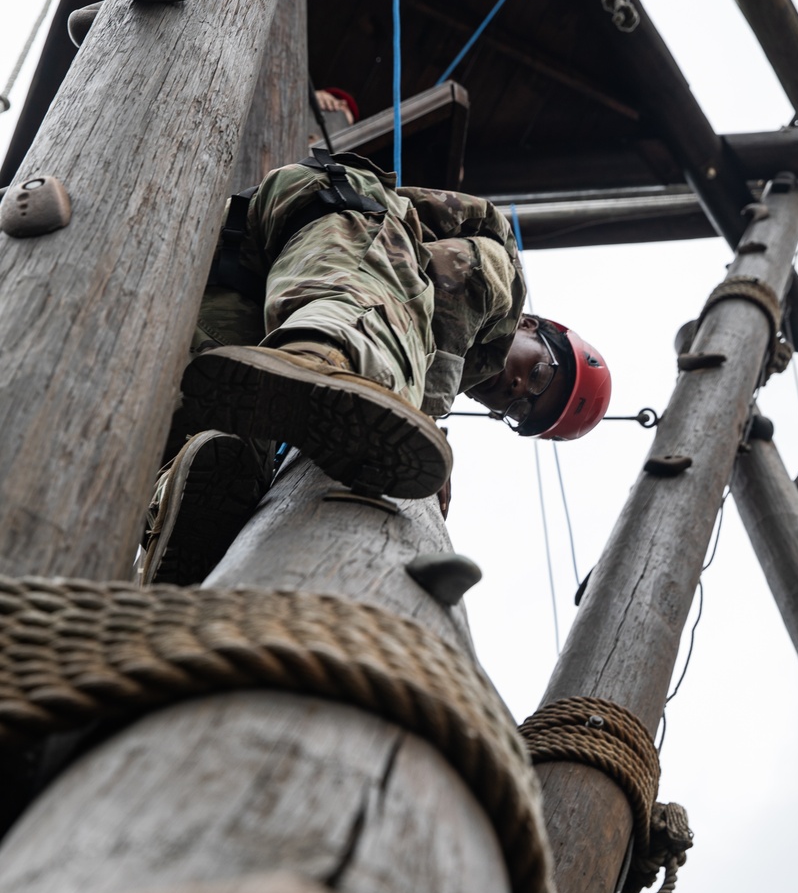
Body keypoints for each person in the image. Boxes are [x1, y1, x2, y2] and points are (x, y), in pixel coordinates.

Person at [141, 148, 612, 583]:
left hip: (230, 285)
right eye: (540, 374)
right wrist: (420, 417)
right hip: (331, 220)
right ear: (532, 326)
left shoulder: (410, 359)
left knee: (209, 431)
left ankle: (170, 518)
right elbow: (445, 294)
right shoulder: (499, 273)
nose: (516, 389)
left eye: (522, 412)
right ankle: (325, 357)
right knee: (363, 324)